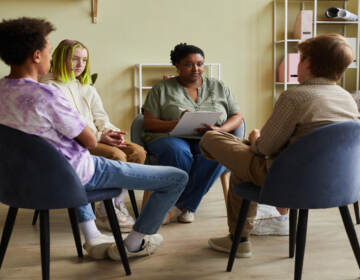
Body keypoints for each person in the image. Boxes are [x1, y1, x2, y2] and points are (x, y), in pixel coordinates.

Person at [0, 17, 188, 261]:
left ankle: (93, 236)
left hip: (19, 181)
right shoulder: (47, 94)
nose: (50, 56)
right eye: (49, 49)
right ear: (37, 56)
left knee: (102, 160)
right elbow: (89, 141)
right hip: (72, 176)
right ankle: (134, 243)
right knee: (176, 178)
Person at [200, 34, 360, 258]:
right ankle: (239, 237)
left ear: (309, 63)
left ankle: (239, 240)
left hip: (287, 181)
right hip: (338, 185)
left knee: (210, 138)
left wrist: (255, 139)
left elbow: (264, 149)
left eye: (300, 58)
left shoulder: (295, 97)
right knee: (241, 170)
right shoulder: (347, 99)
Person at [40, 39, 145, 233]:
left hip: (97, 136)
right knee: (117, 156)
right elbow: (67, 126)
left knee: (138, 152)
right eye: (75, 59)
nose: (80, 65)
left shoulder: (86, 87)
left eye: (84, 60)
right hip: (74, 142)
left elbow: (100, 116)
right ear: (61, 58)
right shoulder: (51, 87)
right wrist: (99, 136)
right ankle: (107, 213)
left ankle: (110, 205)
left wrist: (109, 132)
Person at [142, 43, 243, 223]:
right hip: (170, 136)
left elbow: (237, 116)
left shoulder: (219, 86)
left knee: (219, 152)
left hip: (209, 136)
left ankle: (179, 206)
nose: (196, 69)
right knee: (178, 153)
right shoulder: (161, 88)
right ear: (178, 66)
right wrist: (176, 123)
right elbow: (148, 122)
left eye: (200, 64)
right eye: (189, 64)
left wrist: (220, 130)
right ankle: (186, 205)